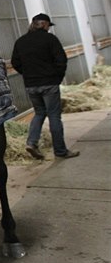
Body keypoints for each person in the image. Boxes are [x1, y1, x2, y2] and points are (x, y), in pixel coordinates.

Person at [11, 13, 80, 159]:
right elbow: (61, 60)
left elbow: (15, 62)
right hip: (49, 83)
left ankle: (31, 142)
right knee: (54, 115)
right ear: (44, 24)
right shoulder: (50, 39)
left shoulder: (21, 41)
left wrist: (28, 74)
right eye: (48, 25)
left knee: (39, 113)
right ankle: (60, 151)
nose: (49, 28)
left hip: (31, 85)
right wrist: (57, 78)